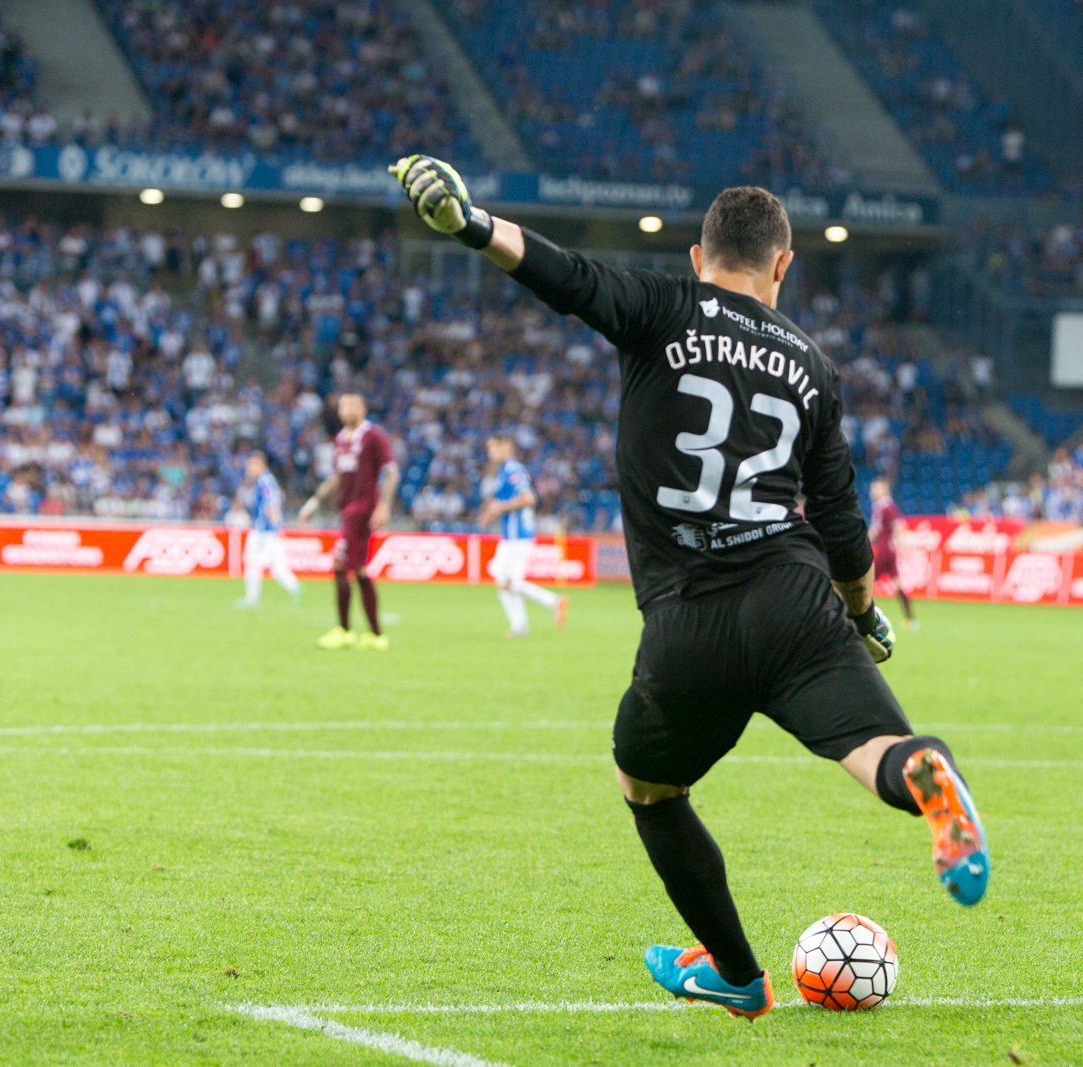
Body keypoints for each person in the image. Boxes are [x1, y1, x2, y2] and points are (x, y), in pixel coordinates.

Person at [390, 155, 990, 1019]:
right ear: (783, 266)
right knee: (875, 753)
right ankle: (925, 772)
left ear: (698, 256)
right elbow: (843, 524)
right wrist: (862, 615)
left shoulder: (664, 308)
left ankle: (741, 976)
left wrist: (472, 224)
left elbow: (567, 278)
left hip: (688, 619)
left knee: (650, 787)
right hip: (797, 600)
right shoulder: (814, 369)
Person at [297, 394, 397, 650]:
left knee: (340, 564)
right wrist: (313, 503)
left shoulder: (372, 435)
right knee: (358, 569)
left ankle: (346, 631)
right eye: (342, 406)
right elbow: (335, 478)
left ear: (363, 409)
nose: (346, 410)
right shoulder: (341, 439)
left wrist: (384, 505)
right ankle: (374, 635)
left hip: (363, 510)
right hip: (348, 510)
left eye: (352, 405)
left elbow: (392, 472)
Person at [481, 433, 567, 637]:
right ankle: (519, 625)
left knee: (511, 581)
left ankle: (554, 602)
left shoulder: (512, 469)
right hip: (509, 536)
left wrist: (499, 507)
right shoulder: (503, 471)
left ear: (506, 447)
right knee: (501, 577)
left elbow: (528, 498)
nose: (490, 452)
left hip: (518, 535)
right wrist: (491, 512)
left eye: (493, 447)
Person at [236, 451, 300, 608]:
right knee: (276, 566)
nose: (249, 468)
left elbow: (271, 505)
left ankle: (252, 598)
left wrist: (276, 528)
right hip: (266, 530)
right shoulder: (265, 481)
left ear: (261, 465)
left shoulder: (265, 482)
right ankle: (296, 588)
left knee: (252, 561)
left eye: (252, 464)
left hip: (264, 531)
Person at [868, 478, 917, 629]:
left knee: (867, 583)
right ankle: (911, 619)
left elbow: (898, 525)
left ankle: (864, 618)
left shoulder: (886, 506)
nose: (873, 491)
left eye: (877, 488)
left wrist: (902, 545)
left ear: (885, 490)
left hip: (884, 551)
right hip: (890, 551)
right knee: (897, 583)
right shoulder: (882, 506)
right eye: (873, 488)